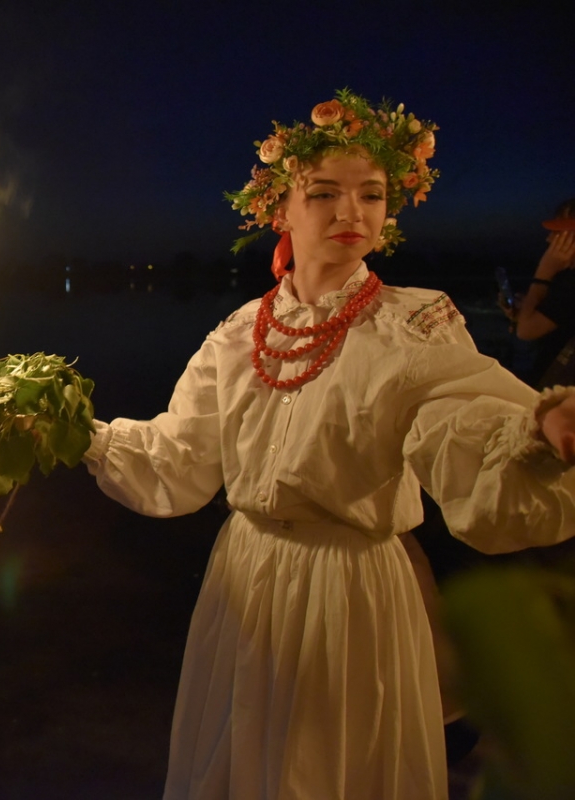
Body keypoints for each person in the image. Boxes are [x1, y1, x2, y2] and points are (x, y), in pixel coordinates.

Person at [81, 90, 575, 799]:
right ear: (279, 210)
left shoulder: (413, 325)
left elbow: (457, 419)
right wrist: (82, 433)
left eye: (371, 195)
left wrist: (536, 429)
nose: (353, 212)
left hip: (350, 590)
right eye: (324, 194)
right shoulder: (239, 331)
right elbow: (179, 457)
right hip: (244, 580)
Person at [509, 198, 575, 388]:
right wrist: (523, 312)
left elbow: (526, 331)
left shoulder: (571, 284)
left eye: (557, 233)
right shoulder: (566, 279)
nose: (549, 239)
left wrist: (544, 271)